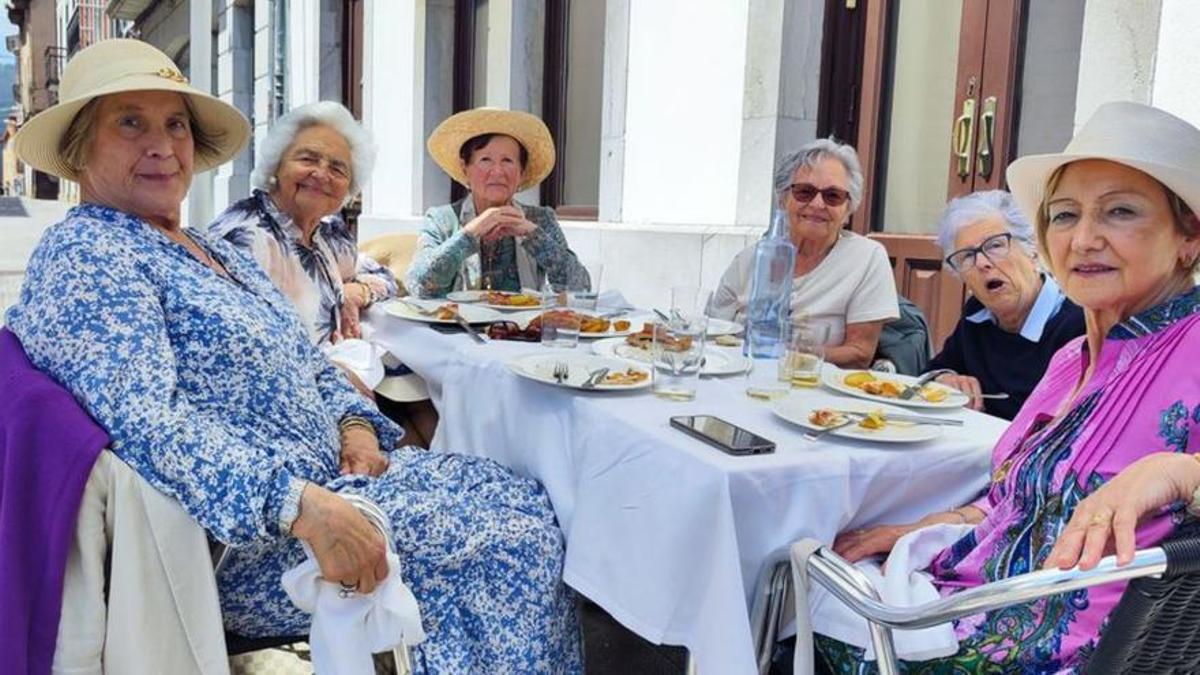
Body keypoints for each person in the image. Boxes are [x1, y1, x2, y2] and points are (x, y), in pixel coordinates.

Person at [5, 39, 581, 673]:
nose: (162, 145)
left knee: (530, 496)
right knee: (516, 543)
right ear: (82, 147)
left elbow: (308, 360)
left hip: (337, 480)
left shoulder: (203, 248)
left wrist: (358, 425)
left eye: (175, 123)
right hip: (261, 536)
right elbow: (146, 420)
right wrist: (301, 507)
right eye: (130, 122)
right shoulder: (89, 253)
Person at [818, 101, 1200, 672]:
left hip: (1064, 653)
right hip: (970, 599)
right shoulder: (1072, 357)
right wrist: (913, 531)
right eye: (1065, 216)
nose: (1085, 239)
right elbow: (1014, 503)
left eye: (1120, 211)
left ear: (1189, 238)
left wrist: (1181, 471)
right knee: (800, 572)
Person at [206, 101, 437, 446]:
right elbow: (237, 358)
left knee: (429, 404)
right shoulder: (245, 236)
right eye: (308, 159)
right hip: (285, 407)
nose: (322, 174)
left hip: (340, 381)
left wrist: (357, 292)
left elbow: (386, 278)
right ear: (276, 165)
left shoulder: (326, 234)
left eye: (337, 168)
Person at [708, 138, 900, 368]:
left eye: (833, 196)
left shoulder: (867, 259)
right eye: (804, 192)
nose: (818, 204)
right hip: (740, 380)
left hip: (820, 390)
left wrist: (788, 355)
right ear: (783, 199)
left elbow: (860, 354)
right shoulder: (749, 260)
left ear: (848, 208)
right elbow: (713, 335)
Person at [926, 190, 1085, 419]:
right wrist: (946, 379)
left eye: (995, 246)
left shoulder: (1078, 324)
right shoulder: (977, 315)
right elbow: (931, 372)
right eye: (967, 256)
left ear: (1033, 250)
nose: (981, 263)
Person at [406, 107, 590, 297]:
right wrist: (471, 232)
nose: (497, 171)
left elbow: (581, 288)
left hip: (523, 325)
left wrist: (533, 235)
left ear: (521, 171)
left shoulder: (540, 219)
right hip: (458, 325)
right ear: (465, 168)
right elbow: (419, 285)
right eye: (485, 160)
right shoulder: (441, 219)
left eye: (508, 161)